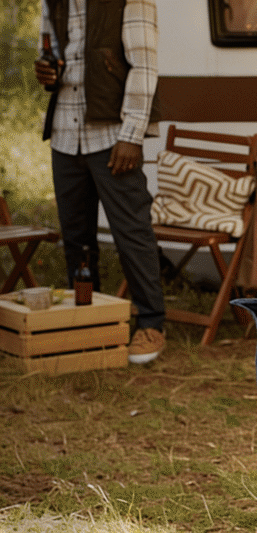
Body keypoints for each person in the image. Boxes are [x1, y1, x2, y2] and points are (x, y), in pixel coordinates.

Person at [35, 0, 167, 363]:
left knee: (131, 230)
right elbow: (51, 54)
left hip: (113, 133)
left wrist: (132, 135)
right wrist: (49, 71)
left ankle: (152, 324)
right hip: (64, 132)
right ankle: (85, 321)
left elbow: (144, 65)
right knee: (75, 235)